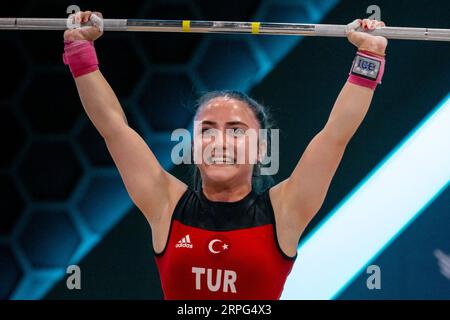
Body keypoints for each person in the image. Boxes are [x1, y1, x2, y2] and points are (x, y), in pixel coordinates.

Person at [63, 11, 388, 299]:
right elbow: (113, 127)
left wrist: (369, 54)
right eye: (207, 130)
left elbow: (335, 135)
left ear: (261, 148)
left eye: (235, 130)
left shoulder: (287, 210)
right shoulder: (164, 202)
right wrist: (79, 50)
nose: (219, 141)